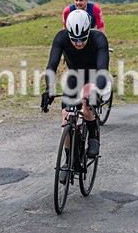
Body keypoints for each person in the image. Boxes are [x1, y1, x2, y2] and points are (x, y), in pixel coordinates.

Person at [42, 10, 111, 170]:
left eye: (82, 39)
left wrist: (96, 90)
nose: (78, 43)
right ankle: (69, 159)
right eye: (74, 39)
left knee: (86, 101)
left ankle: (93, 136)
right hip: (74, 77)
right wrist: (48, 89)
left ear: (88, 32)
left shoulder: (99, 39)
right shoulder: (61, 38)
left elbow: (103, 71)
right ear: (68, 34)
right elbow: (51, 66)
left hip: (94, 76)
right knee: (66, 116)